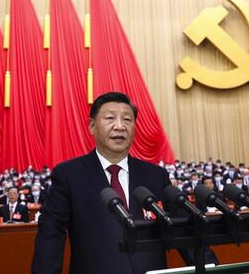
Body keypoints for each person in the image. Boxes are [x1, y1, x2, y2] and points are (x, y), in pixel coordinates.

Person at [32, 92, 174, 273]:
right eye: (110, 118)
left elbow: (183, 230)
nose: (120, 126)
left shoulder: (156, 175)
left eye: (127, 120)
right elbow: (51, 236)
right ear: (92, 126)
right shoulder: (69, 175)